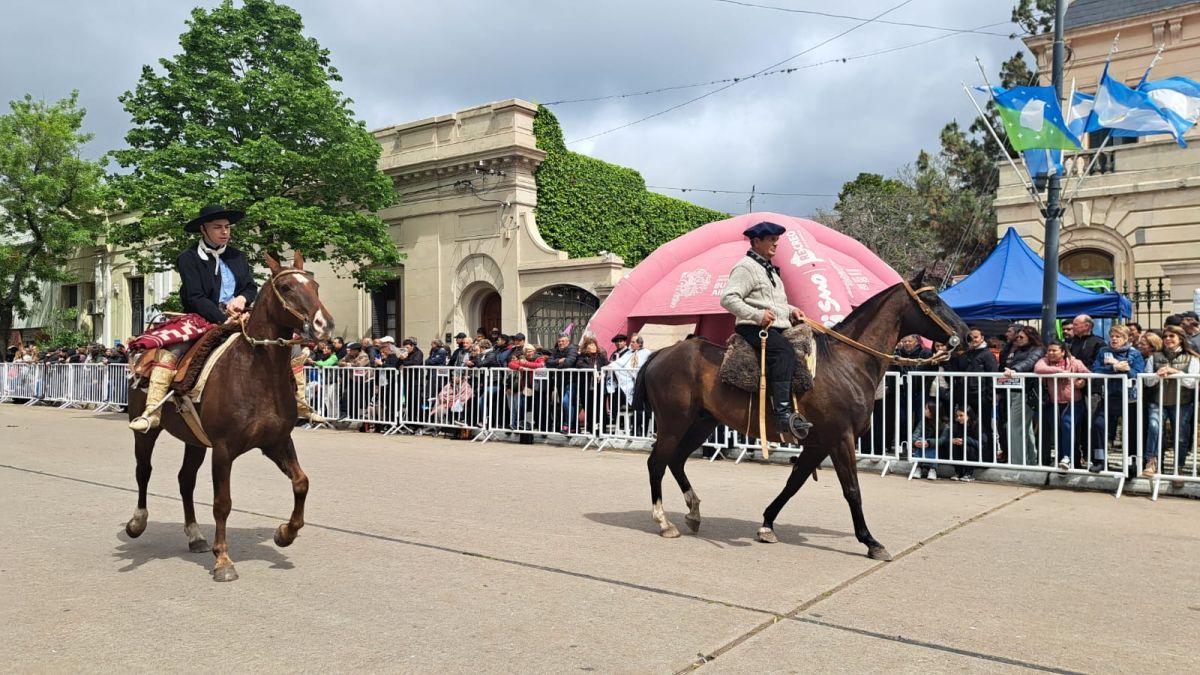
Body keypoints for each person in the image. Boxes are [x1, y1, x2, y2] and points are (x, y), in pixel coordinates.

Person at [129, 204, 266, 432]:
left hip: (242, 316)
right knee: (172, 351)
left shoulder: (237, 256)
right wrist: (222, 319)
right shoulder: (188, 258)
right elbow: (195, 296)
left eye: (227, 227)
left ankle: (296, 402)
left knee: (283, 346)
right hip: (203, 317)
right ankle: (152, 410)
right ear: (203, 229)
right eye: (218, 227)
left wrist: (242, 299)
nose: (225, 232)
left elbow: (250, 286)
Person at [718, 220, 811, 438]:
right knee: (784, 352)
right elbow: (728, 298)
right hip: (753, 327)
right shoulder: (746, 267)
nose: (775, 244)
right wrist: (757, 315)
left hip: (775, 326)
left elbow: (774, 303)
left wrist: (792, 310)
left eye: (776, 240)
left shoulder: (770, 270)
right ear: (756, 241)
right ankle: (782, 415)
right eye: (771, 240)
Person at [1141, 326, 1199, 479]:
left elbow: (1193, 382)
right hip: (1157, 401)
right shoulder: (1154, 357)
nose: (1167, 339)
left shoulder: (1191, 358)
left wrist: (1177, 373)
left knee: (1181, 436)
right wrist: (1156, 374)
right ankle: (1151, 462)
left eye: (1171, 336)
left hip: (1182, 403)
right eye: (1165, 336)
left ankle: (1178, 468)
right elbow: (1147, 381)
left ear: (1180, 338)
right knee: (1154, 427)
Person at [1089, 325, 1144, 473]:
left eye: (1118, 336)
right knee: (1098, 425)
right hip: (1108, 396)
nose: (1114, 339)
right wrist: (1114, 367)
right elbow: (1095, 370)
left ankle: (1131, 463)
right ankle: (1099, 460)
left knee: (1131, 430)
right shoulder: (1103, 352)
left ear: (1126, 339)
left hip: (1129, 398)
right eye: (1112, 336)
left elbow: (1138, 374)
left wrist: (1126, 369)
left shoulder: (1135, 354)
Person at [1034, 340, 1091, 470]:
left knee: (1067, 426)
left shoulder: (1075, 362)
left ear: (1063, 352)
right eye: (1049, 350)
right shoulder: (1044, 361)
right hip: (1052, 403)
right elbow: (1038, 369)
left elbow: (1088, 374)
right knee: (1058, 431)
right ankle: (1062, 460)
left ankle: (1067, 457)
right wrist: (1059, 371)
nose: (1051, 353)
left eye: (1054, 350)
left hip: (1073, 402)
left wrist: (1081, 382)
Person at [1001, 326, 1044, 465]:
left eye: (1021, 337)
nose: (1017, 339)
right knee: (1024, 428)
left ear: (1030, 337)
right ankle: (1030, 460)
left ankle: (1018, 463)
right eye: (1017, 337)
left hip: (1025, 391)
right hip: (1012, 390)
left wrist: (1015, 369)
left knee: (1015, 428)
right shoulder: (1016, 349)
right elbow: (1004, 361)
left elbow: (1030, 362)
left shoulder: (1037, 350)